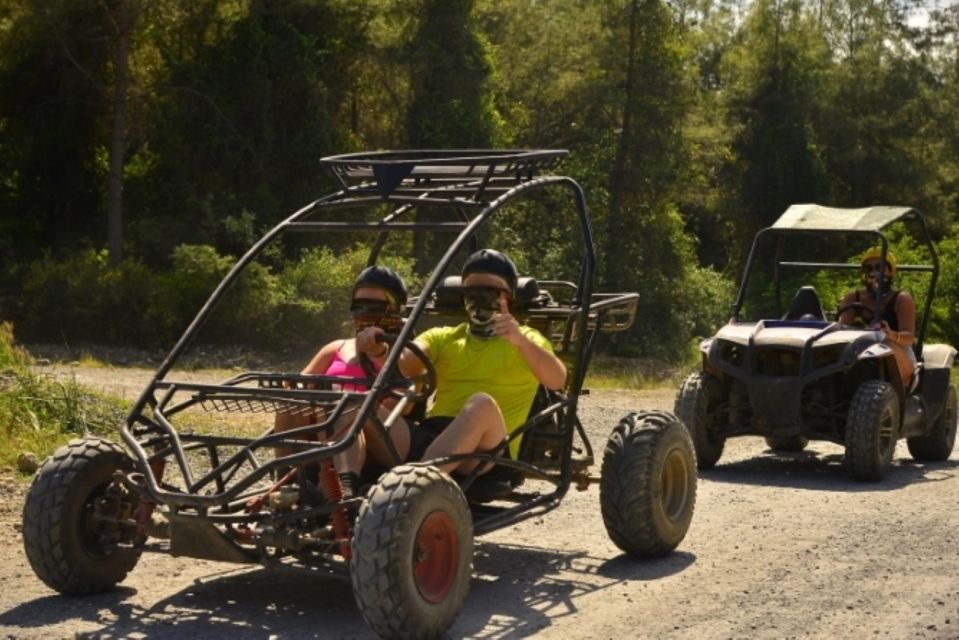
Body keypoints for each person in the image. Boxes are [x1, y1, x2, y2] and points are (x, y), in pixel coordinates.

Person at [355, 249, 567, 476]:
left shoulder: (527, 338)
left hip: (487, 452)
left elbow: (557, 380)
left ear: (507, 297)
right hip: (433, 439)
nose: (479, 299)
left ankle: (418, 481)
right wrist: (379, 351)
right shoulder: (443, 336)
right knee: (356, 408)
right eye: (471, 292)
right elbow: (407, 363)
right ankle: (336, 491)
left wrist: (519, 341)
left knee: (481, 404)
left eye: (490, 292)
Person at [273, 265, 411, 496]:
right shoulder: (336, 348)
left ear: (395, 310)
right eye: (359, 306)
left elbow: (405, 406)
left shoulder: (406, 351)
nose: (365, 312)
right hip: (328, 431)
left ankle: (345, 489)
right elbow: (298, 385)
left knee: (347, 405)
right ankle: (286, 483)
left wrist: (378, 352)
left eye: (375, 307)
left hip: (386, 436)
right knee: (292, 401)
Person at [837, 247, 917, 386]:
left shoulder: (901, 299)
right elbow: (840, 329)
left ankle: (892, 392)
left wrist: (891, 335)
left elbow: (909, 338)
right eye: (868, 268)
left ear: (890, 271)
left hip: (897, 350)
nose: (873, 273)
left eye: (879, 267)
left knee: (885, 346)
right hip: (861, 350)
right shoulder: (853, 297)